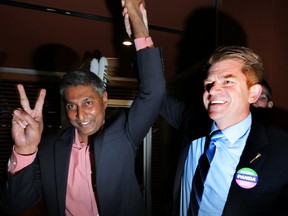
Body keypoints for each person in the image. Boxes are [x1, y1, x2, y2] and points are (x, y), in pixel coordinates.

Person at [0, 1, 165, 216]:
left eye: (88, 102)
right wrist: (24, 150)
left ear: (104, 99)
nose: (80, 115)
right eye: (71, 106)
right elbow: (15, 205)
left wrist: (137, 24)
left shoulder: (124, 131)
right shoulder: (48, 148)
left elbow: (154, 91)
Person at [124, 5, 288, 216]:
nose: (213, 90)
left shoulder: (281, 151)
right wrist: (141, 36)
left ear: (254, 93)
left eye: (227, 81)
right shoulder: (193, 121)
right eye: (208, 83)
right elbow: (157, 93)